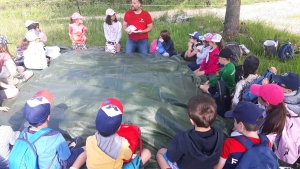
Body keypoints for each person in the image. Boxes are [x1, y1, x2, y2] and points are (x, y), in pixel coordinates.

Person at [9, 90, 87, 169]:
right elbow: (66, 157)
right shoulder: (55, 136)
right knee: (86, 150)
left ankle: (66, 146)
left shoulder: (23, 133)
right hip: (55, 164)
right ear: (49, 116)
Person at [156, 95, 223, 169]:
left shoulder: (181, 139)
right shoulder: (219, 134)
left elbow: (172, 158)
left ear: (191, 121)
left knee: (160, 152)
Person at [86, 98, 151, 169]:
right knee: (147, 153)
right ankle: (139, 165)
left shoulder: (89, 140)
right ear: (119, 127)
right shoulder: (122, 144)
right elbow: (128, 157)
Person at [214, 101, 272, 169]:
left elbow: (218, 167)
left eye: (234, 121)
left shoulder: (230, 143)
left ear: (241, 125)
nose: (234, 123)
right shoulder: (267, 142)